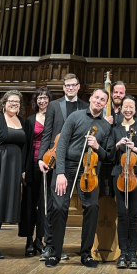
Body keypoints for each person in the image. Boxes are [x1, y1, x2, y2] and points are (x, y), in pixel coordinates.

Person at [44, 89, 111, 268]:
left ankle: (86, 254)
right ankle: (54, 252)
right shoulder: (75, 116)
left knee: (93, 207)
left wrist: (97, 146)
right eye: (96, 97)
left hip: (88, 170)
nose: (98, 101)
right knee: (58, 207)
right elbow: (62, 143)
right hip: (66, 166)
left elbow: (107, 156)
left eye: (102, 99)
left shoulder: (105, 126)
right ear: (90, 99)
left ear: (105, 104)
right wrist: (59, 173)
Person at [37, 73, 88, 261]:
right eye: (67, 85)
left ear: (79, 86)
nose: (70, 88)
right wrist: (42, 158)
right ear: (63, 87)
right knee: (55, 207)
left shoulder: (85, 107)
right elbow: (47, 133)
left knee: (71, 206)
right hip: (56, 159)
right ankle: (50, 246)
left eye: (73, 85)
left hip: (77, 162)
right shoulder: (53, 105)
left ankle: (61, 246)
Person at [107, 95, 137, 269]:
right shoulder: (115, 129)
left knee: (134, 214)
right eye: (125, 106)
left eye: (131, 107)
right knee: (121, 214)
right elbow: (109, 153)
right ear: (121, 108)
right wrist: (117, 145)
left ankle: (133, 253)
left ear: (135, 109)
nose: (128, 109)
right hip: (119, 174)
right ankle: (123, 252)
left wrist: (136, 148)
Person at [19, 87, 53, 257]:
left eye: (45, 97)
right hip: (32, 165)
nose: (42, 101)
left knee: (45, 205)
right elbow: (25, 146)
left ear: (49, 100)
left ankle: (40, 239)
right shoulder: (30, 120)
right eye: (39, 98)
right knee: (30, 204)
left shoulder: (54, 119)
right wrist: (23, 170)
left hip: (48, 165)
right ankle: (29, 241)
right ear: (35, 101)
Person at [0, 90, 26, 259]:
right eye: (11, 101)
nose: (14, 104)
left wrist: (22, 169)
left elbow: (24, 147)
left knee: (4, 205)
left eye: (17, 102)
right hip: (0, 165)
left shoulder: (21, 121)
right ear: (4, 102)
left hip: (14, 167)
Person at [100, 81, 126, 197]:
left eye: (121, 93)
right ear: (111, 93)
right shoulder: (103, 110)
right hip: (105, 156)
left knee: (120, 193)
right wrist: (104, 122)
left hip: (120, 158)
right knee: (105, 193)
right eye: (116, 92)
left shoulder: (127, 112)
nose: (118, 95)